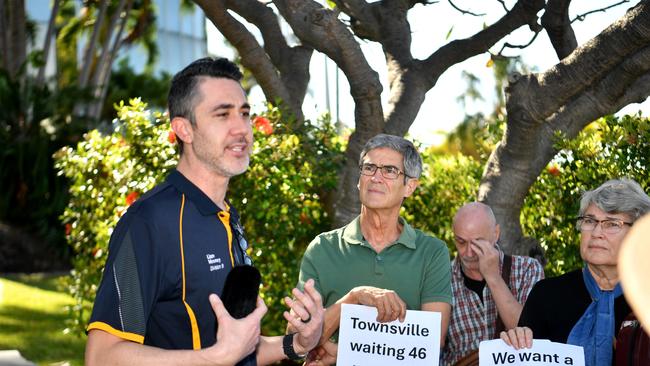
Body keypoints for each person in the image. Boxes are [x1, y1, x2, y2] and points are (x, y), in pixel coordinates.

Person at [84, 57, 324, 366]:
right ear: (184, 128)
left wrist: (295, 344)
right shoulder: (150, 224)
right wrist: (217, 358)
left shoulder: (226, 218)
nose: (242, 129)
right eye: (223, 114)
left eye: (245, 113)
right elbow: (102, 356)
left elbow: (236, 349)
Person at [296, 134, 453, 365]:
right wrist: (353, 299)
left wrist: (346, 354)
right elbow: (297, 338)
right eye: (369, 168)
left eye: (389, 170)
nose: (376, 177)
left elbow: (431, 341)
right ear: (360, 179)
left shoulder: (432, 252)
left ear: (409, 186)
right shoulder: (322, 248)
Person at [500, 178, 650, 366]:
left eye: (611, 224)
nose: (596, 232)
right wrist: (516, 343)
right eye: (590, 221)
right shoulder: (546, 295)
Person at [441, 202, 544, 365]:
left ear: (495, 233)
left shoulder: (527, 269)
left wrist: (493, 277)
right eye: (461, 242)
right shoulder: (441, 278)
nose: (468, 252)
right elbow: (430, 349)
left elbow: (532, 336)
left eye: (477, 243)